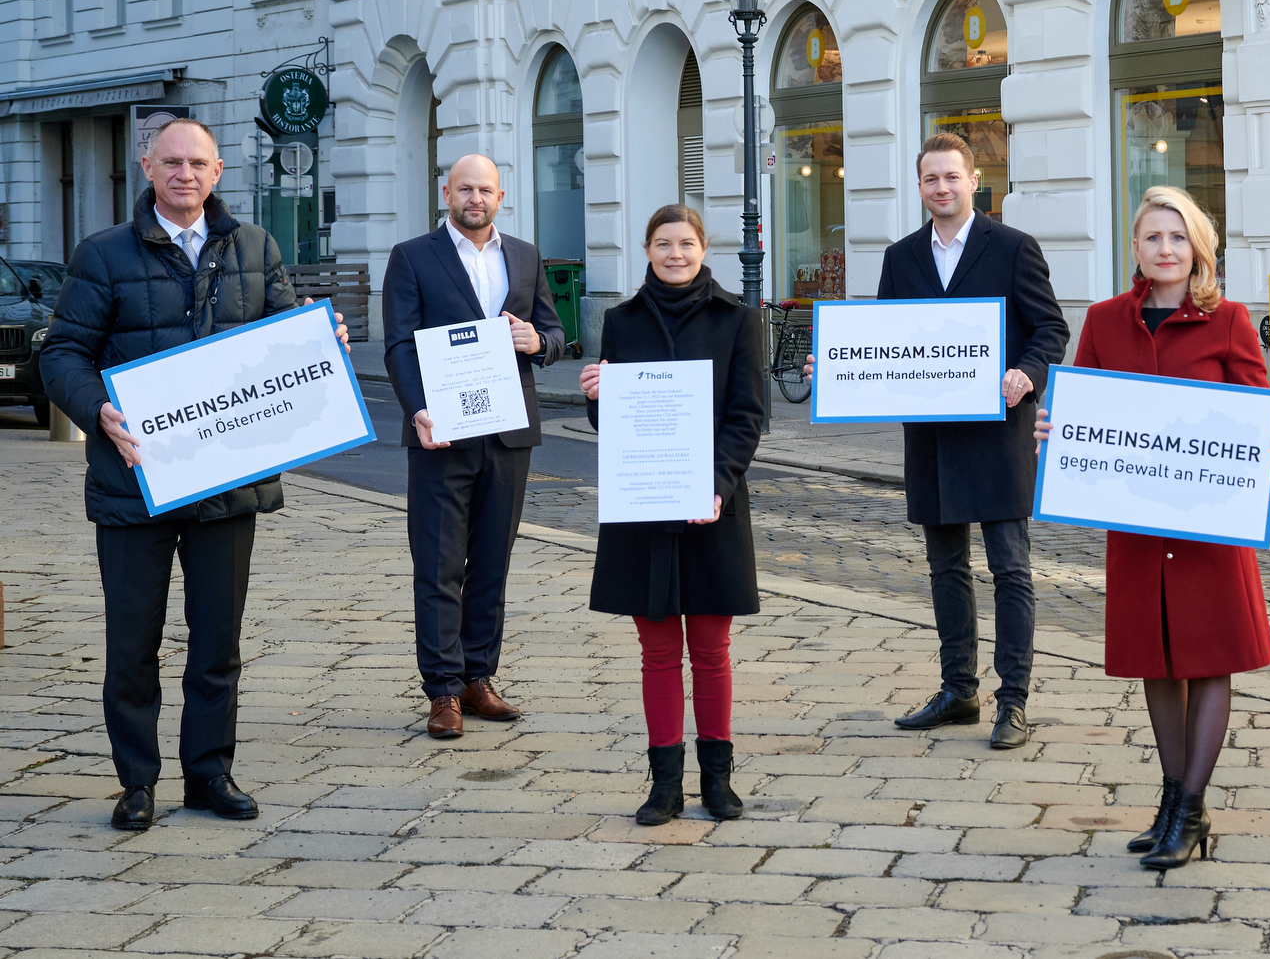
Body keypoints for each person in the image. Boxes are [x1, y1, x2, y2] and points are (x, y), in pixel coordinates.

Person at [38, 118, 349, 830]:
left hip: (227, 484)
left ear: (217, 174)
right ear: (147, 166)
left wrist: (317, 340)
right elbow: (61, 356)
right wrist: (99, 410)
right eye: (171, 161)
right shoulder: (103, 254)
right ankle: (138, 782)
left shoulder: (255, 245)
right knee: (132, 641)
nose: (185, 174)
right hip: (134, 482)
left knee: (217, 642)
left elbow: (282, 335)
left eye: (198, 163)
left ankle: (210, 774)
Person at [1035, 186, 1270, 868]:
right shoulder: (1103, 321)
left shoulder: (1231, 320)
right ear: (1136, 249)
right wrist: (1055, 432)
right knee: (1158, 661)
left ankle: (1188, 809)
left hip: (1210, 528)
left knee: (1208, 661)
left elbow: (1251, 415)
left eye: (1179, 238)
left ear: (1198, 249)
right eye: (1154, 238)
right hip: (1140, 531)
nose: (1167, 249)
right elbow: (1082, 405)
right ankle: (1175, 798)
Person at [809, 132, 1069, 749]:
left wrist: (1026, 374)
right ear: (920, 185)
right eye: (931, 179)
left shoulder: (1012, 247)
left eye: (952, 177)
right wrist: (838, 375)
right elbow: (884, 343)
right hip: (931, 441)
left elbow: (1051, 328)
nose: (942, 188)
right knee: (945, 567)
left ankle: (1013, 700)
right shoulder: (901, 258)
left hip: (998, 434)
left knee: (1011, 569)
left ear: (973, 180)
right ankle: (959, 690)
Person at [579, 205, 764, 824]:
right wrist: (597, 399)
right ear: (647, 249)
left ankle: (718, 781)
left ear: (704, 247)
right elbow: (615, 427)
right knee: (656, 649)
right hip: (644, 506)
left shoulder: (738, 319)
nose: (675, 254)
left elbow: (748, 417)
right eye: (663, 243)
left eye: (686, 243)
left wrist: (716, 483)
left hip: (714, 505)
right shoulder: (621, 321)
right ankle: (664, 785)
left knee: (710, 647)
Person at [384, 153, 565, 739]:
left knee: (492, 562)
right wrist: (418, 410)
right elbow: (399, 346)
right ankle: (441, 690)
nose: (475, 199)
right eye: (465, 189)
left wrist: (536, 339)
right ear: (446, 192)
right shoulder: (413, 256)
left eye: (485, 190)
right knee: (438, 565)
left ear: (500, 196)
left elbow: (558, 335)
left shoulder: (525, 256)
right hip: (442, 432)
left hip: (509, 433)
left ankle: (478, 677)